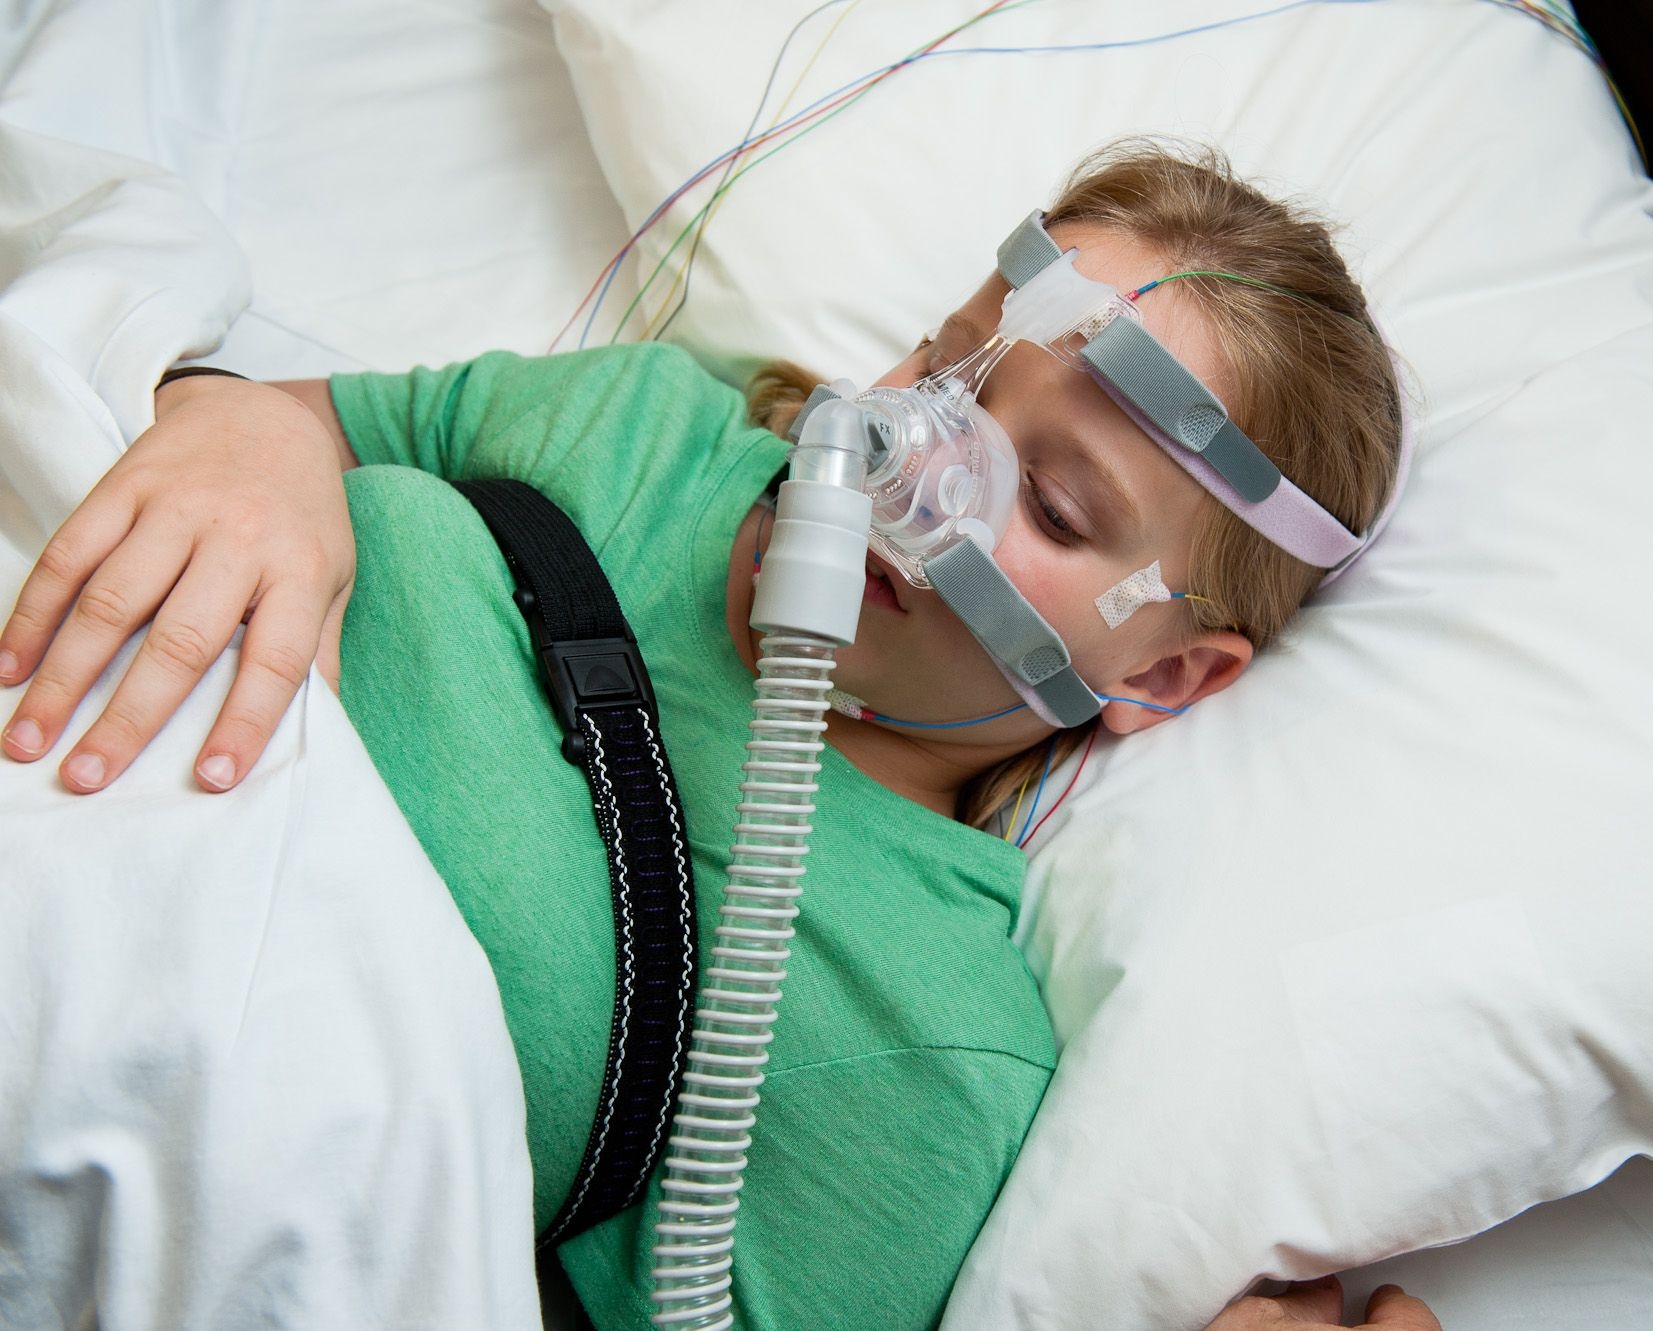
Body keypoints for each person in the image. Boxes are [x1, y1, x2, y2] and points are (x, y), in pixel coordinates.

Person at [0, 140, 1433, 1330]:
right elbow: (229, 429)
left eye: (1055, 507)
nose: (922, 456)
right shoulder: (642, 429)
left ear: (1170, 675)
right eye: (946, 367)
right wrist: (240, 426)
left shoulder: (925, 1040)